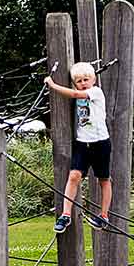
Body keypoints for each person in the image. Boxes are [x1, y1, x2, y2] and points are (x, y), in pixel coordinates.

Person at [44, 62, 110, 233]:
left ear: (94, 79)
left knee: (104, 179)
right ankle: (66, 214)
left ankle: (104, 215)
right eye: (79, 81)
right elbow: (74, 95)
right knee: (74, 176)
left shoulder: (95, 92)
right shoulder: (80, 94)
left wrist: (52, 85)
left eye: (86, 79)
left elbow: (74, 94)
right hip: (82, 143)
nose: (83, 83)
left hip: (100, 142)